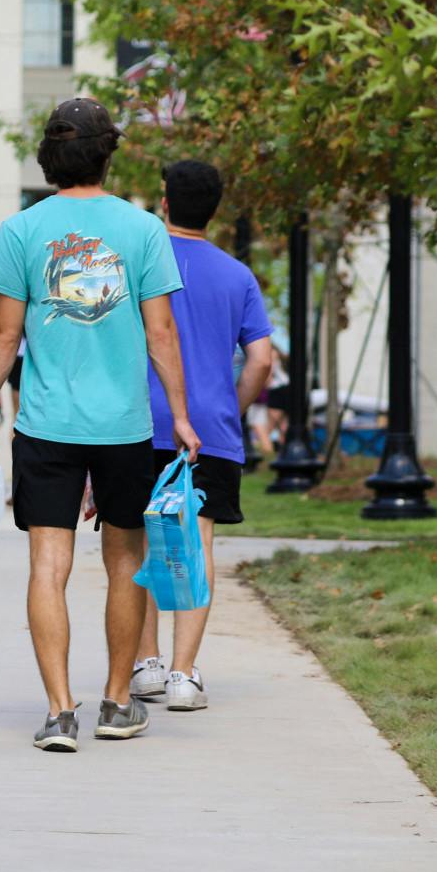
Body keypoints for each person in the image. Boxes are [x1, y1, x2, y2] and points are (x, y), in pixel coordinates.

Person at [0, 98, 200, 753]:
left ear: (49, 156)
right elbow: (161, 331)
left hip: (46, 424)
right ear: (108, 151)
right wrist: (179, 414)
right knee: (125, 562)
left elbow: (4, 333)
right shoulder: (143, 229)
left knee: (48, 563)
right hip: (123, 427)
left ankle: (59, 710)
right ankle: (117, 702)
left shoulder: (21, 230)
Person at [128, 160, 275, 711]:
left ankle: (145, 664)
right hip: (208, 430)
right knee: (197, 541)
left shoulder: (139, 264)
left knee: (137, 539)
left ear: (164, 202)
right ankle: (184, 675)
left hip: (137, 423)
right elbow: (260, 360)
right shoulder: (237, 275)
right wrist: (229, 411)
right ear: (215, 209)